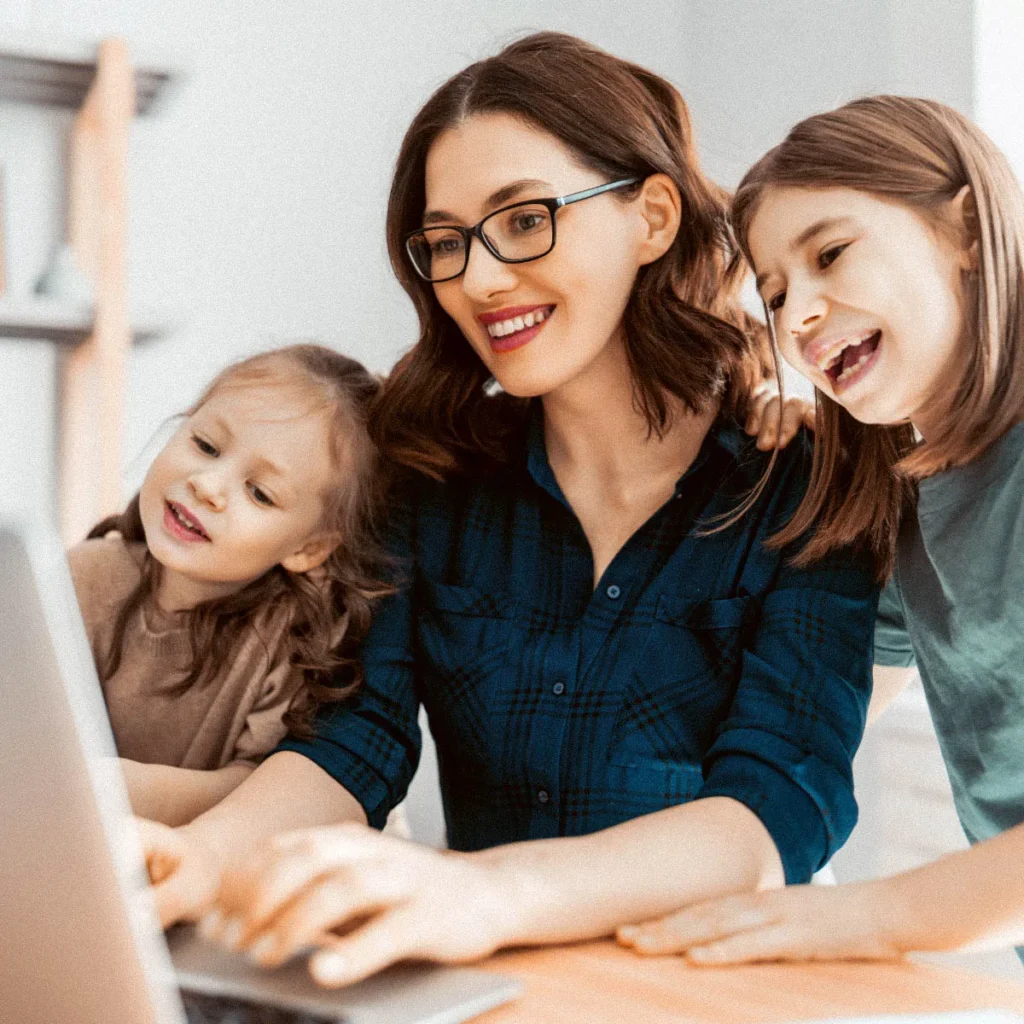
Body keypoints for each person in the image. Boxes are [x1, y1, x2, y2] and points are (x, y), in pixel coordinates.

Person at [139, 32, 881, 987]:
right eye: (446, 242)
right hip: (500, 988)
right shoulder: (433, 479)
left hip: (718, 990)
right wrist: (202, 858)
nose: (480, 280)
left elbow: (780, 804)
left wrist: (490, 892)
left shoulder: (804, 482)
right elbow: (356, 743)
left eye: (526, 219)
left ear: (653, 217)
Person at [617, 95, 1024, 965]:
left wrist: (869, 918)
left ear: (965, 229)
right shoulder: (905, 509)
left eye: (830, 253)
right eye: (774, 294)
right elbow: (821, 710)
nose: (797, 315)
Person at [70, 343, 387, 826]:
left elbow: (261, 797)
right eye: (205, 446)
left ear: (309, 549)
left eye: (259, 493)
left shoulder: (294, 641)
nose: (208, 485)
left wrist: (112, 788)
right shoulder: (80, 577)